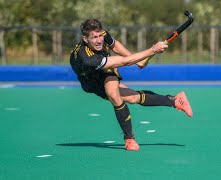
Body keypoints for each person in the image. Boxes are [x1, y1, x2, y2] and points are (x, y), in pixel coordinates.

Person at [69, 18, 193, 151]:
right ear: (85, 39)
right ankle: (174, 100)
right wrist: (152, 50)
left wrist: (138, 60)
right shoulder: (86, 57)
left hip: (105, 71)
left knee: (113, 95)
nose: (99, 40)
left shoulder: (102, 34)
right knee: (133, 98)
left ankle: (129, 139)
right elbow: (123, 62)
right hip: (90, 81)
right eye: (94, 38)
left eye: (100, 36)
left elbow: (114, 45)